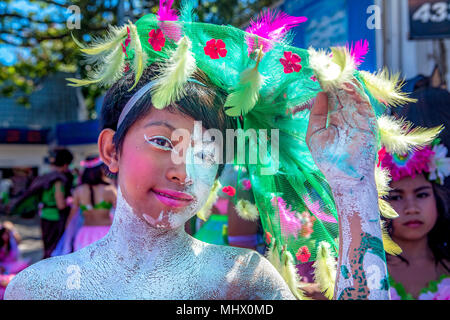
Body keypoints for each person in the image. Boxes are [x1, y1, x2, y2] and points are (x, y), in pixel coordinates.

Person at [4, 2, 437, 300]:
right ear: (110, 151)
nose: (184, 171)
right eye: (161, 141)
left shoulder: (242, 281)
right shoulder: (44, 287)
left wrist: (352, 184)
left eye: (208, 151)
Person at [379, 140, 450, 299]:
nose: (411, 208)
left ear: (438, 200)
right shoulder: (363, 272)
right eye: (396, 197)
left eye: (422, 195)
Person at [66, 156, 116, 251]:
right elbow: (122, 215)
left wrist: (68, 238)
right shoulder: (109, 190)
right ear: (101, 170)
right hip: (106, 234)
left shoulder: (79, 191)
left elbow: (71, 217)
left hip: (85, 234)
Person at [39, 148, 73, 259]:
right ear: (65, 164)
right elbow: (61, 205)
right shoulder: (58, 180)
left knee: (47, 247)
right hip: (55, 219)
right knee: (54, 250)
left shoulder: (46, 176)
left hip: (44, 215)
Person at [0, 221, 29, 299]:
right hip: (2, 266)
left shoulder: (11, 244)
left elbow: (14, 255)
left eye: (7, 234)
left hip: (10, 264)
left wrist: (13, 230)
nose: (6, 236)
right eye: (4, 234)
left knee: (24, 265)